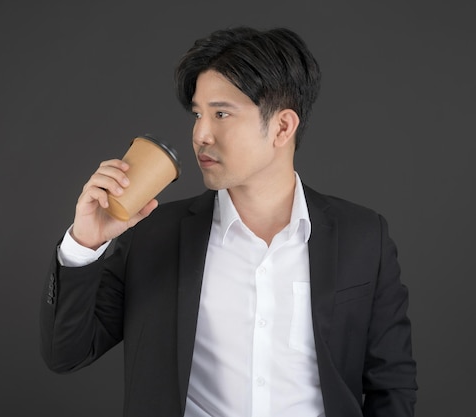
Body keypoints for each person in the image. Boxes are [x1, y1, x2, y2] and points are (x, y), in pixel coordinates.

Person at [40, 26, 417, 417]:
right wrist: (85, 242)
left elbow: (392, 383)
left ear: (283, 127)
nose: (201, 133)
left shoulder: (363, 237)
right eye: (198, 114)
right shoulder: (154, 234)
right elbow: (65, 354)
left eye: (221, 113)